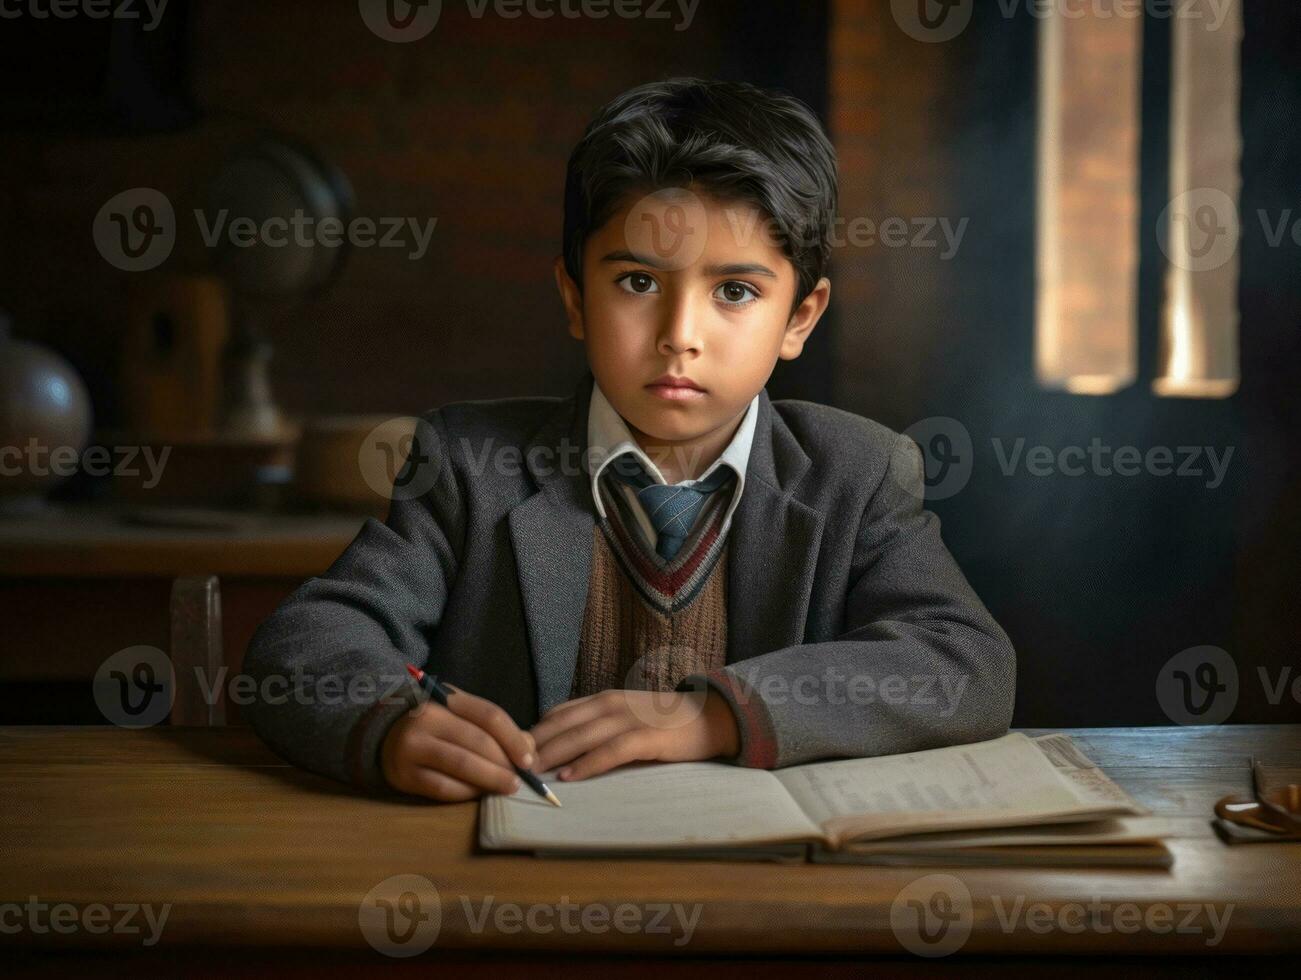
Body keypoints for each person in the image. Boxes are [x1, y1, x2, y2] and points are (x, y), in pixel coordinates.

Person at [243, 77, 1016, 802]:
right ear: (574, 299)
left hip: (761, 892)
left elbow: (965, 663)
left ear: (800, 318)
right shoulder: (469, 463)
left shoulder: (856, 473)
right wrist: (386, 722)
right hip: (515, 886)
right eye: (637, 282)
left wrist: (713, 715)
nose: (679, 337)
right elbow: (310, 639)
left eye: (735, 292)